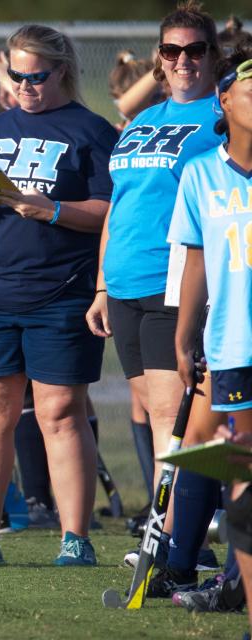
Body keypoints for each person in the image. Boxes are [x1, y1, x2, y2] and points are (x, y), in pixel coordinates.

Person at [0, 24, 118, 566]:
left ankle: (75, 538)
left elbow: (109, 213)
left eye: (36, 77)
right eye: (16, 75)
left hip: (59, 290)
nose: (24, 86)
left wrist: (50, 208)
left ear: (62, 71)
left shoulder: (92, 131)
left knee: (59, 413)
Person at [86, 1, 227, 594]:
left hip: (176, 282)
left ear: (212, 56)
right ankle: (175, 538)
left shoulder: (224, 118)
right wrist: (99, 285)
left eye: (195, 50)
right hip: (124, 284)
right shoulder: (142, 119)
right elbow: (118, 205)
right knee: (151, 412)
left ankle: (178, 551)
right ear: (158, 59)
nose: (183, 61)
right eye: (172, 51)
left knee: (178, 421)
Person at [169, 44, 252, 618]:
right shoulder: (201, 172)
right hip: (234, 345)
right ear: (225, 100)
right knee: (243, 471)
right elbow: (196, 260)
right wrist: (184, 333)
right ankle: (237, 587)